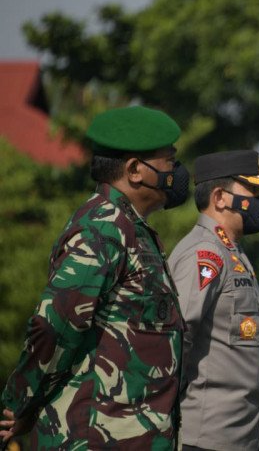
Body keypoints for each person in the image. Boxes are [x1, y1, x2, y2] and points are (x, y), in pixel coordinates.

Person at [0, 105, 190, 449]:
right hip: (91, 438)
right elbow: (55, 325)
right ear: (134, 170)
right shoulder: (103, 229)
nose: (177, 171)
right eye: (169, 161)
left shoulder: (132, 228)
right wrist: (18, 403)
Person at [168, 150, 259, 451]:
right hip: (206, 438)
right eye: (253, 190)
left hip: (241, 437)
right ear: (219, 197)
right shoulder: (203, 255)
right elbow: (175, 342)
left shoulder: (233, 253)